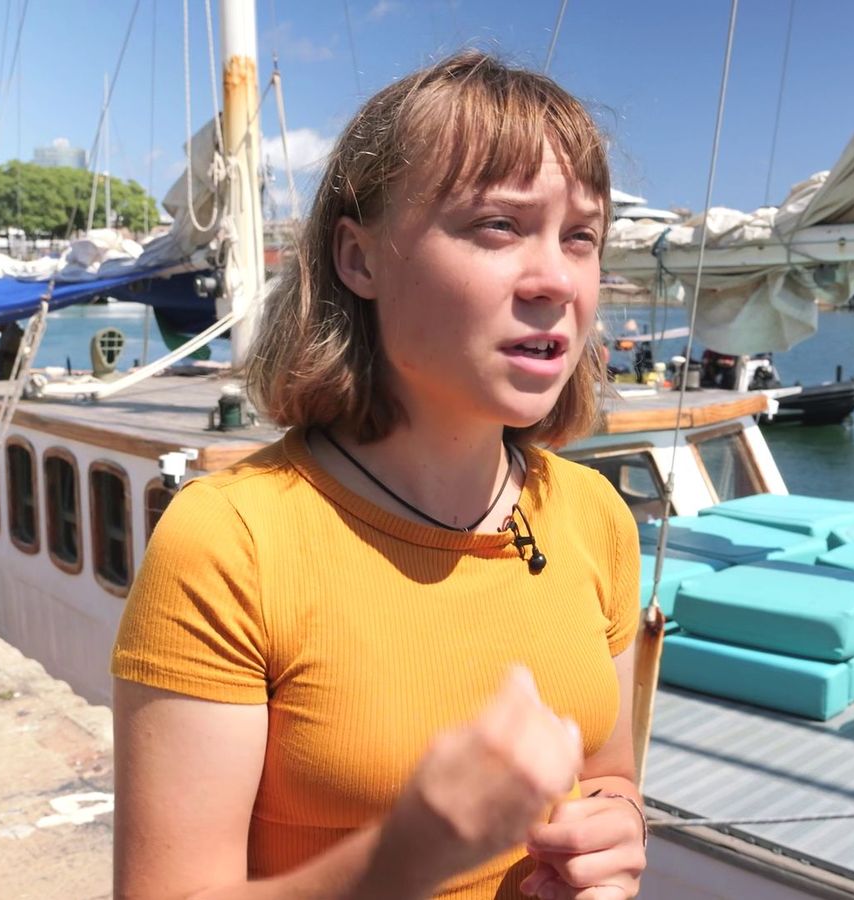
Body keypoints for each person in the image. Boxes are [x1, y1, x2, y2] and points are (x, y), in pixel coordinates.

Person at [112, 52, 646, 900]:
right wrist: (408, 853)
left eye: (580, 236)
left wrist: (614, 835)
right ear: (359, 259)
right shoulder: (230, 543)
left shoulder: (594, 515)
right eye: (498, 225)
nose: (555, 279)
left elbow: (611, 774)